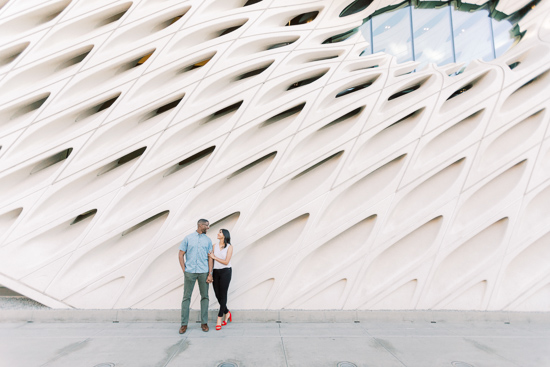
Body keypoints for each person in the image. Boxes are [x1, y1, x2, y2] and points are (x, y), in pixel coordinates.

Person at [178, 219, 213, 334]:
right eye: (206, 225)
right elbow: (181, 254)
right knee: (186, 297)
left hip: (203, 272)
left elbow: (210, 258)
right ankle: (184, 324)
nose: (208, 227)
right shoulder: (188, 238)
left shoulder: (208, 240)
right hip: (190, 272)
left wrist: (210, 273)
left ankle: (204, 323)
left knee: (205, 297)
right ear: (200, 225)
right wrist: (184, 270)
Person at [208, 229, 233, 331]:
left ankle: (219, 318)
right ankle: (227, 312)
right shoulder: (214, 246)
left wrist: (214, 257)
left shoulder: (229, 247)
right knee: (218, 295)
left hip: (226, 271)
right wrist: (210, 273)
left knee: (223, 295)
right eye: (218, 232)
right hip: (216, 272)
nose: (218, 233)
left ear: (224, 235)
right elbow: (210, 259)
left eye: (220, 232)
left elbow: (226, 262)